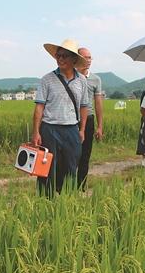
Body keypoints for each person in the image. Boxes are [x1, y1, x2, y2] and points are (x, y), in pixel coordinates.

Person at [32, 39, 89, 197]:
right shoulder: (47, 79)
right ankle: (45, 202)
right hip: (50, 129)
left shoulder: (82, 81)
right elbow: (39, 107)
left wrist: (82, 129)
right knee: (47, 168)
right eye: (58, 56)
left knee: (71, 166)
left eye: (65, 56)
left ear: (74, 59)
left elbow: (84, 106)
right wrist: (36, 132)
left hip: (72, 129)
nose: (61, 59)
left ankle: (68, 200)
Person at [76, 47, 103, 190]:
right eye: (85, 57)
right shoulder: (71, 76)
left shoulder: (95, 79)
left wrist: (100, 126)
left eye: (90, 57)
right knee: (70, 155)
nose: (88, 60)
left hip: (89, 119)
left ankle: (81, 186)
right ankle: (65, 185)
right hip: (72, 120)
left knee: (85, 155)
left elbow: (98, 103)